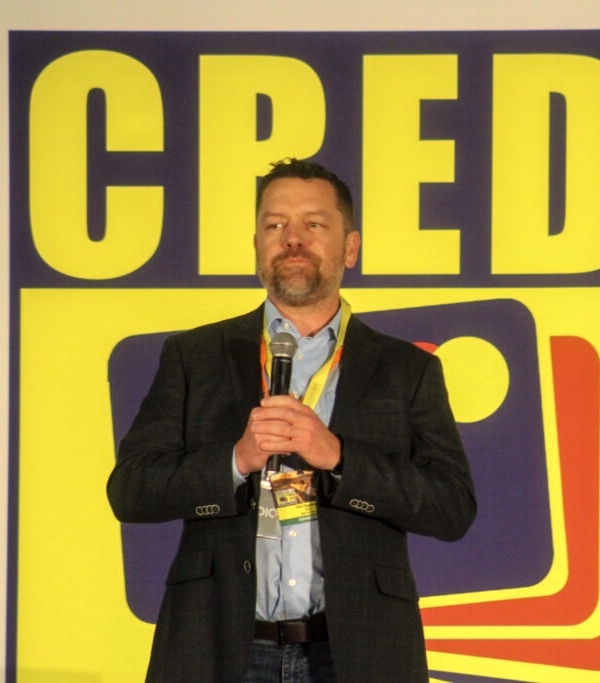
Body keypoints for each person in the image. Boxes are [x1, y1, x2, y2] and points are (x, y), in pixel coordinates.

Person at [107, 158, 477, 683]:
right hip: (218, 646)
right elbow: (130, 490)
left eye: (314, 224)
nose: (293, 239)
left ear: (350, 247)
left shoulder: (406, 369)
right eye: (275, 224)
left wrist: (340, 459)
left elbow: (452, 506)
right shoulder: (194, 356)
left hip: (356, 653)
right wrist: (236, 460)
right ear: (257, 245)